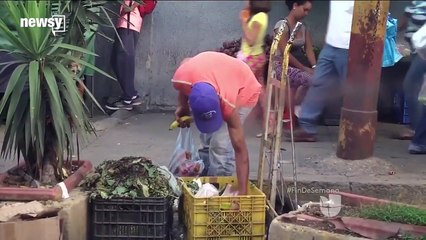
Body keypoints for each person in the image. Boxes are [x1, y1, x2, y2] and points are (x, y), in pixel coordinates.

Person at [172, 51, 262, 195]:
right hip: (213, 73)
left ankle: (217, 191)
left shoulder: (229, 106)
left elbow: (240, 150)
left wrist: (243, 194)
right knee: (207, 141)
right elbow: (186, 65)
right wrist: (182, 106)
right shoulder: (181, 77)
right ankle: (205, 183)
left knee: (220, 145)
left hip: (244, 87)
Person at [287, 0, 354, 142]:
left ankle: (354, 129)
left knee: (350, 89)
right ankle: (307, 128)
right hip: (331, 45)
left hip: (349, 46)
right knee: (318, 83)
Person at [272, 0, 315, 126]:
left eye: (309, 11)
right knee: (309, 79)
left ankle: (294, 109)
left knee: (318, 78)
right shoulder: (282, 25)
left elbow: (309, 49)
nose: (306, 13)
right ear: (295, 6)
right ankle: (292, 112)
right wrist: (304, 68)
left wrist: (315, 66)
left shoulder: (303, 26)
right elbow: (285, 52)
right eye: (305, 9)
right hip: (281, 66)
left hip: (296, 66)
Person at [238, 0, 270, 136]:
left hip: (251, 59)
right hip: (256, 57)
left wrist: (244, 21)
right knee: (260, 93)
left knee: (241, 89)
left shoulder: (258, 18)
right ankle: (268, 126)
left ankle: (236, 123)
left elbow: (251, 41)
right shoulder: (261, 16)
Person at [398, 1, 426, 154]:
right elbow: (404, 20)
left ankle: (417, 132)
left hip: (423, 52)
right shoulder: (416, 2)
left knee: (412, 86)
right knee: (418, 90)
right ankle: (418, 134)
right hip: (419, 51)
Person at [106, 0, 144, 111]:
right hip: (126, 23)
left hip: (129, 23)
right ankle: (131, 95)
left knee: (124, 59)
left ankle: (129, 97)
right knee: (118, 59)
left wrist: (130, 7)